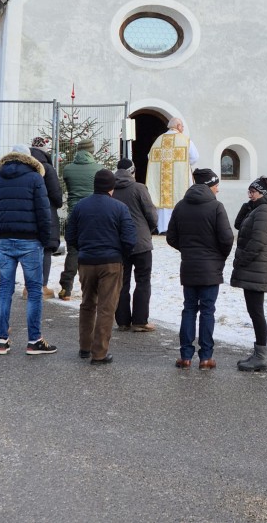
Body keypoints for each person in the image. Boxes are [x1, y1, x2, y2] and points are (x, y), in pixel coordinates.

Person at [0, 144, 55, 356]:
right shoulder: (35, 179)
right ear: (28, 159)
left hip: (5, 240)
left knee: (4, 290)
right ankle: (34, 340)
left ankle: (2, 340)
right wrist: (44, 239)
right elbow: (44, 213)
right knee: (34, 291)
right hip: (30, 241)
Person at [65, 169, 137, 364]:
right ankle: (99, 353)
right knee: (106, 308)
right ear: (111, 188)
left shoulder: (80, 206)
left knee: (87, 304)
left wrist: (84, 249)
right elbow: (130, 239)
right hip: (111, 263)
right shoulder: (120, 208)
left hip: (87, 261)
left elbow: (70, 235)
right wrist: (120, 254)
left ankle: (84, 347)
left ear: (94, 185)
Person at [166, 168, 233, 370]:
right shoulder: (216, 207)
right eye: (216, 185)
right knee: (207, 311)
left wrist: (187, 250)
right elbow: (227, 238)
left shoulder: (181, 206)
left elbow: (171, 237)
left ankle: (185, 356)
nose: (218, 190)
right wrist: (219, 256)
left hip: (189, 266)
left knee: (188, 309)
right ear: (209, 186)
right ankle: (205, 357)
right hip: (211, 268)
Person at [230, 176, 267, 372]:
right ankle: (258, 354)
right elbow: (238, 225)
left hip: (257, 268)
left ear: (262, 193)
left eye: (252, 192)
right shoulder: (258, 208)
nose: (249, 195)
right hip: (254, 268)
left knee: (257, 312)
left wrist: (241, 261)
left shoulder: (266, 211)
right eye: (249, 192)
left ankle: (261, 356)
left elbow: (257, 242)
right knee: (255, 311)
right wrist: (248, 205)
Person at [112, 158, 158, 332]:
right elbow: (151, 214)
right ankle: (140, 321)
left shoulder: (111, 189)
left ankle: (123, 321)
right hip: (141, 243)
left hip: (119, 243)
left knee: (121, 282)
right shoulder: (139, 188)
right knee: (143, 281)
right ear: (133, 171)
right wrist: (149, 230)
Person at [59, 139, 104, 301]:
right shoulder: (99, 169)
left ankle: (66, 288)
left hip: (74, 214)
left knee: (73, 251)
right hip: (94, 215)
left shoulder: (68, 169)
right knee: (96, 250)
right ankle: (95, 289)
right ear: (92, 151)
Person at [146, 117, 199, 234]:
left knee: (163, 201)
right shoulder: (185, 140)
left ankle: (162, 228)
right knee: (179, 197)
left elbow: (150, 157)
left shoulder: (159, 140)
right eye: (182, 126)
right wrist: (183, 164)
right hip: (179, 177)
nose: (183, 128)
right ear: (178, 126)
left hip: (161, 177)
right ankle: (179, 228)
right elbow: (195, 157)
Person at [29, 137, 63, 299]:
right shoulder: (47, 168)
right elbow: (56, 194)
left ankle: (28, 288)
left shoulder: (25, 166)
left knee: (30, 250)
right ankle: (42, 286)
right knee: (46, 250)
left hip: (27, 213)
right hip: (46, 212)